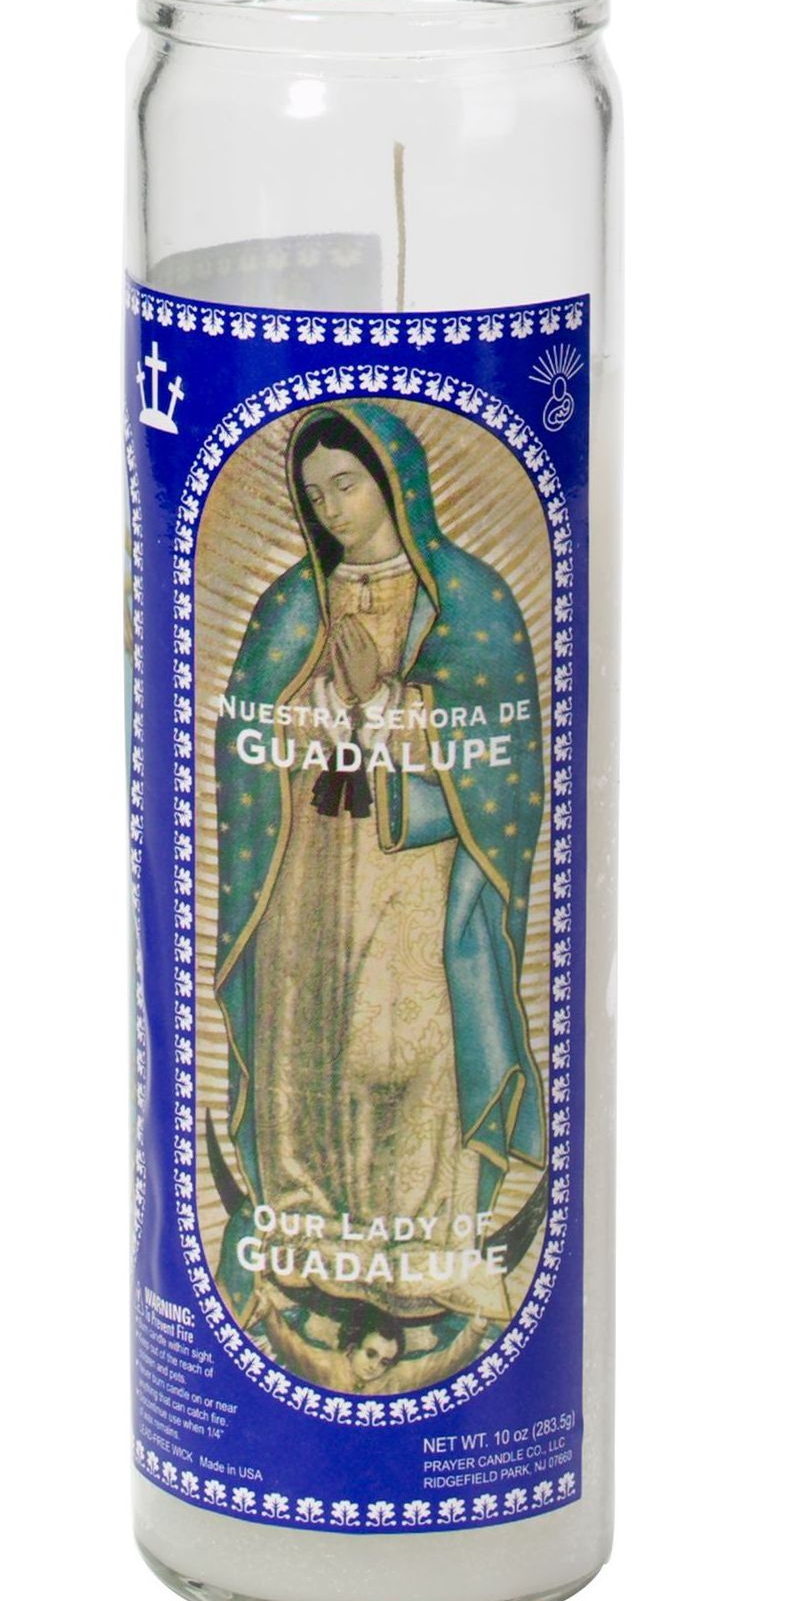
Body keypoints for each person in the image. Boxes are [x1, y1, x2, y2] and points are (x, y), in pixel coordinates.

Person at [210, 401, 547, 1386]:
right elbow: (246, 728)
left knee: (408, 1040)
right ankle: (307, 1219)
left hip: (415, 865)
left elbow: (505, 745)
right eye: (314, 495)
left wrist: (400, 708)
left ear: (394, 481)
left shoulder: (467, 598)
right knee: (308, 1030)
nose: (332, 509)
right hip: (312, 865)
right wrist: (316, 708)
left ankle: (425, 1240)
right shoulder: (294, 603)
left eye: (346, 485)